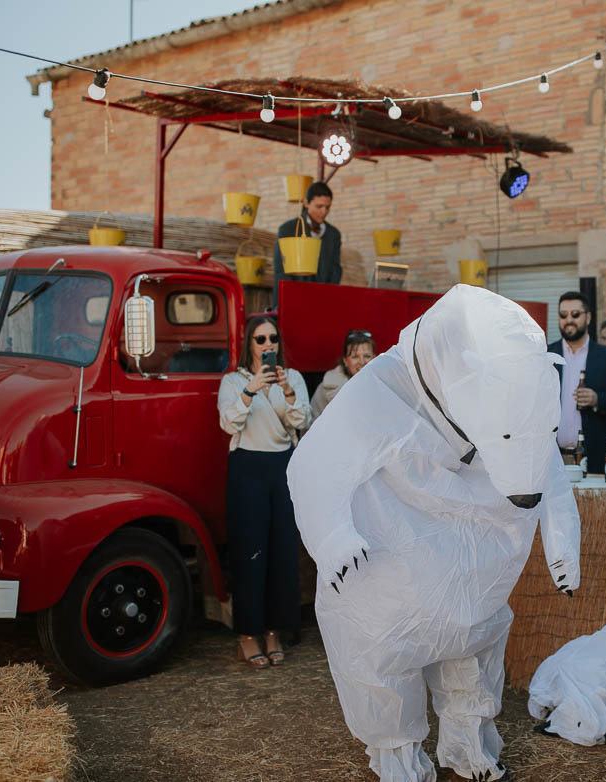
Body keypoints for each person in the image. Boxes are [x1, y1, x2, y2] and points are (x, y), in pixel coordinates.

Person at [288, 284, 580, 782]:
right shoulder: (383, 387)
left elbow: (541, 459)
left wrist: (562, 544)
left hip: (476, 568)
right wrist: (331, 537)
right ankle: (399, 758)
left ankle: (469, 748)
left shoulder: (514, 378)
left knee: (473, 652)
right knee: (388, 660)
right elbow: (315, 464)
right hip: (393, 567)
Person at [217, 315, 310, 668]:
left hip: (282, 466)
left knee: (282, 552)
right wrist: (251, 388)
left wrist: (285, 390)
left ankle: (274, 630)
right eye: (260, 339)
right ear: (249, 344)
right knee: (249, 552)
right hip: (247, 467)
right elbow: (229, 423)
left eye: (272, 338)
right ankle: (247, 633)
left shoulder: (294, 378)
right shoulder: (232, 381)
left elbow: (301, 421)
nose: (267, 345)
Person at [547, 291, 606, 473]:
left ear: (588, 317)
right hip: (553, 460)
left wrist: (598, 399)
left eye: (575, 314)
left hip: (595, 458)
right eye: (563, 315)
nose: (569, 320)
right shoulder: (546, 356)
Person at [272, 181, 342, 306]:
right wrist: (289, 300)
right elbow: (281, 268)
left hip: (323, 301)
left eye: (327, 207)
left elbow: (335, 270)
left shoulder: (334, 234)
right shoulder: (288, 229)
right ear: (306, 203)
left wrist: (329, 296)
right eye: (319, 206)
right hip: (292, 299)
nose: (324, 212)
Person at [309, 330, 377, 424]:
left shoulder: (383, 384)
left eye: (367, 356)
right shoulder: (328, 387)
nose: (362, 362)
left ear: (374, 358)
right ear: (345, 361)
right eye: (355, 357)